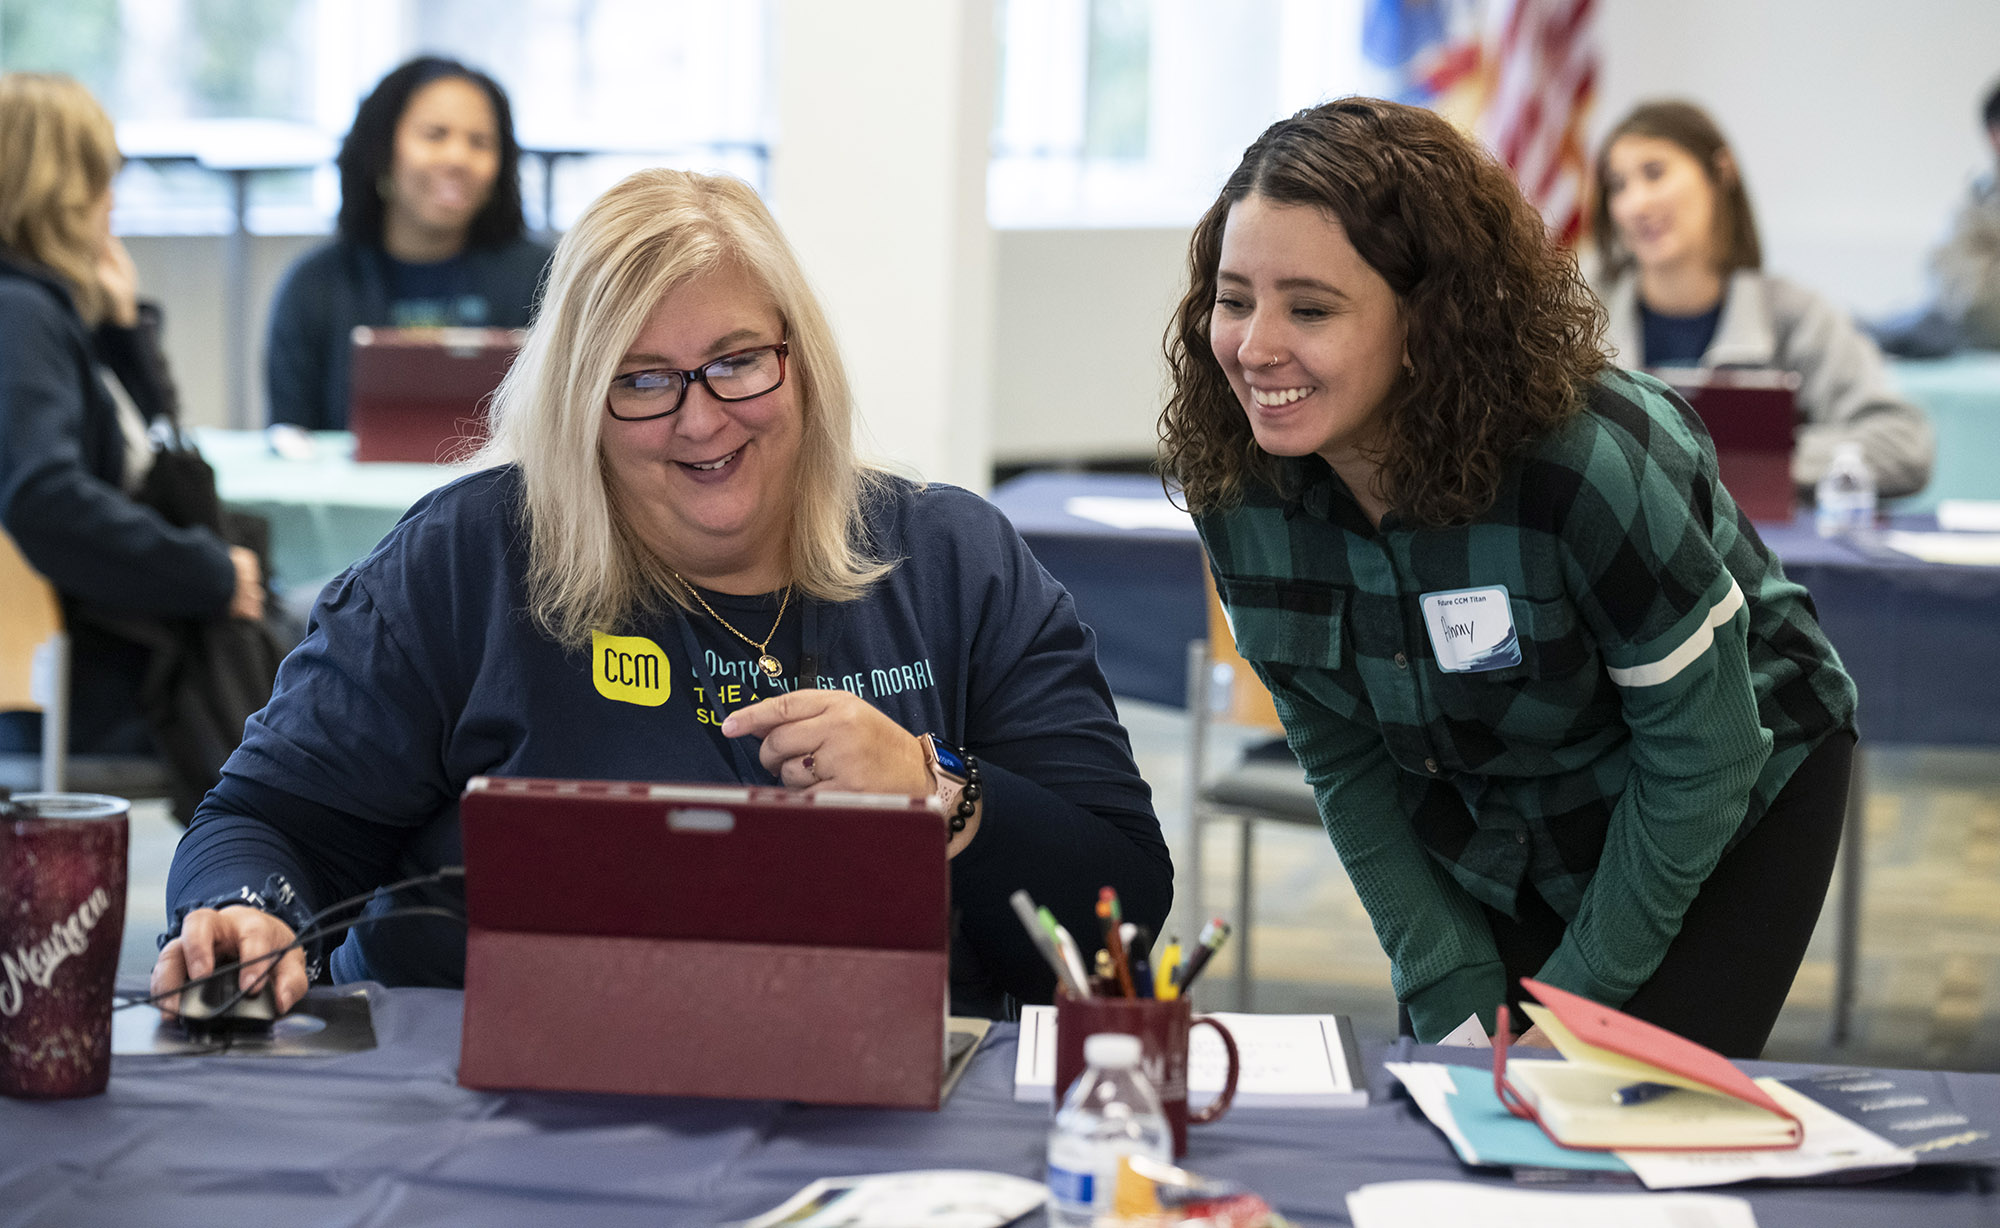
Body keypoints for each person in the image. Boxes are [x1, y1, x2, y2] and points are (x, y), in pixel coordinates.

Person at [156, 168, 1171, 1020]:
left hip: (877, 1114)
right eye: (641, 380)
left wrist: (932, 788)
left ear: (800, 362)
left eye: (737, 362)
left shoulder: (954, 563)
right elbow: (265, 821)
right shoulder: (464, 561)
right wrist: (247, 910)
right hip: (497, 1112)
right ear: (577, 401)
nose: (701, 420)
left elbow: (1119, 917)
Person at [1159, 97, 1857, 1059]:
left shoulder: (1588, 462)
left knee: (1616, 1113)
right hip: (1498, 806)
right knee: (1460, 1096)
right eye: (1234, 299)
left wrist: (1570, 1016)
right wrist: (1448, 988)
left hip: (1728, 789)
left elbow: (1706, 755)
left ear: (1426, 320)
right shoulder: (1238, 485)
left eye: (1310, 309)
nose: (1253, 346)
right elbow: (1345, 762)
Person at [0, 72, 264, 760]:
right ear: (61, 191)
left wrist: (124, 339)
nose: (112, 201)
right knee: (331, 653)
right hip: (78, 682)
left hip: (80, 661)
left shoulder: (38, 313)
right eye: (102, 179)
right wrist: (205, 573)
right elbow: (44, 498)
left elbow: (167, 462)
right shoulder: (22, 316)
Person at [1591, 99, 1934, 500]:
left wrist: (1754, 461)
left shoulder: (1795, 315)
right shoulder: (1578, 314)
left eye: (1655, 173)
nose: (1635, 204)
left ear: (1721, 172)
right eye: (1618, 185)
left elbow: (1904, 445)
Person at [264, 55, 551, 430]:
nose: (458, 158)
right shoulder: (316, 285)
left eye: (480, 142)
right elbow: (291, 437)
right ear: (381, 150)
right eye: (435, 135)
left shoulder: (544, 279)